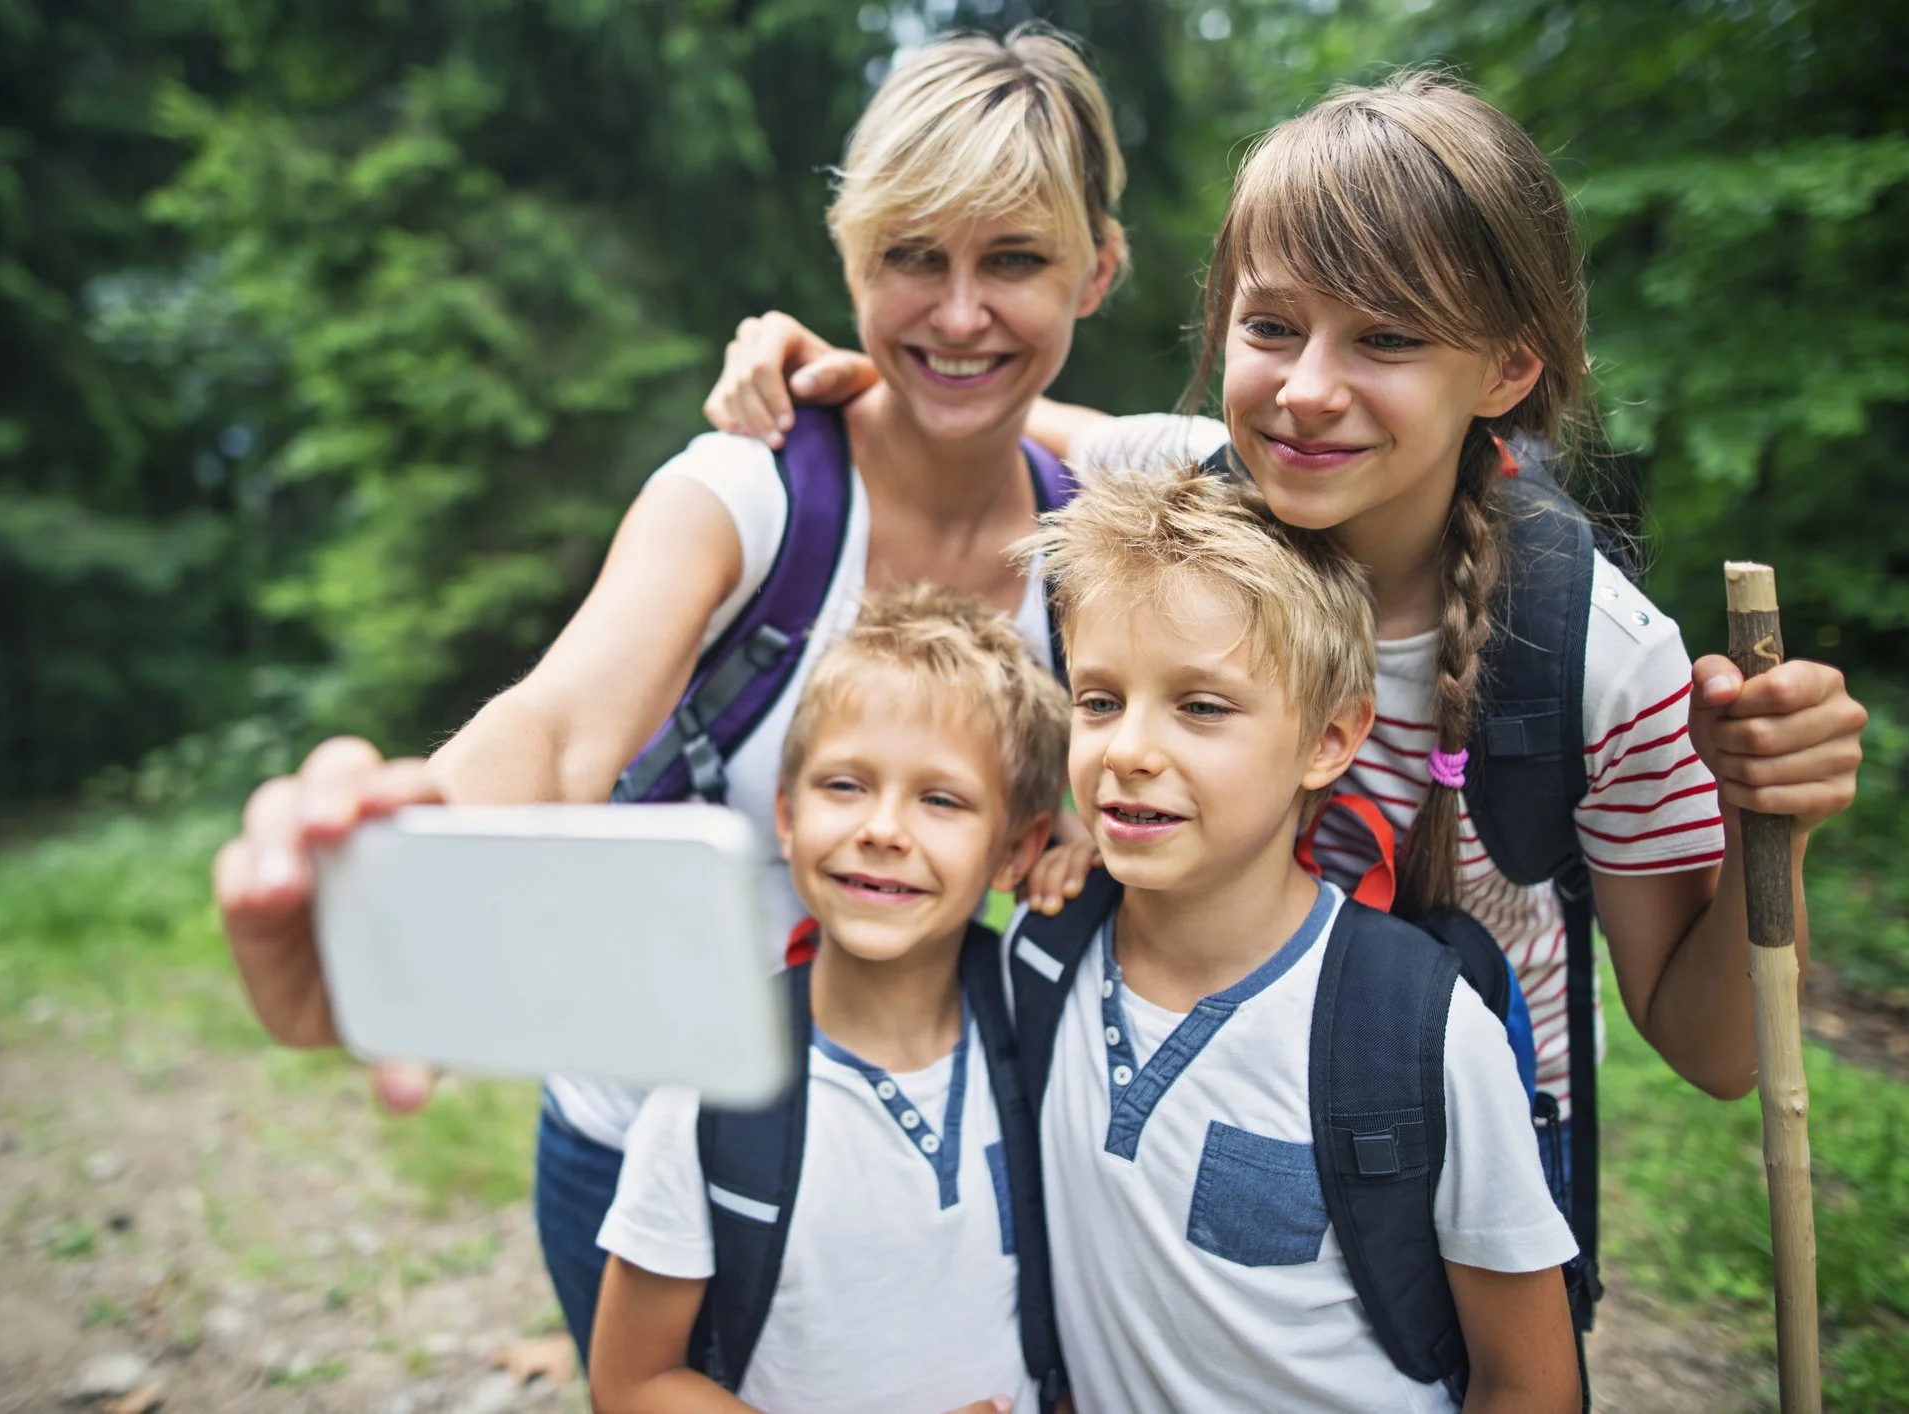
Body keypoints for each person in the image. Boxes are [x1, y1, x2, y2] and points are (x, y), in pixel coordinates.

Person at [700, 67, 1867, 1319]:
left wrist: (1770, 831)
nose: (1308, 387)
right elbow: (975, 397)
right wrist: (834, 367)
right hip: (1162, 1117)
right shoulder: (1171, 488)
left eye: (1388, 337)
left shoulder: (1599, 659)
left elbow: (1712, 1053)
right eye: (1271, 329)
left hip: (1444, 1193)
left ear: (1508, 366)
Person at [212, 24, 1129, 1358]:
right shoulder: (745, 490)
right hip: (651, 1152)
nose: (954, 311)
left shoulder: (1094, 549)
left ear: (1096, 270)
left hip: (924, 1157)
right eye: (908, 257)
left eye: (1014, 261)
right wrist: (404, 871)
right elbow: (560, 721)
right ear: (848, 252)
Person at [1017, 469, 1581, 1412]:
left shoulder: (1417, 1031)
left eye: (1200, 706)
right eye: (1099, 700)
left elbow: (1529, 1385)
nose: (1126, 751)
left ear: (1328, 738)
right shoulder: (1038, 958)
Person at [590, 585, 1068, 1414]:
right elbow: (631, 1381)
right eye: (844, 785)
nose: (882, 828)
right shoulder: (715, 1089)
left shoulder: (1046, 1032)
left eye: (941, 799)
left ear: (1015, 848)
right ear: (784, 814)